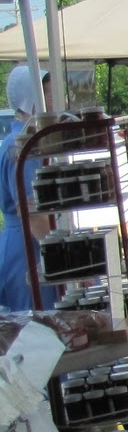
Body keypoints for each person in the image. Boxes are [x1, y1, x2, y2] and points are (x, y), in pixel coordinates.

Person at [0, 65, 52, 312]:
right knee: (41, 326)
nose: (54, 101)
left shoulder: (27, 139)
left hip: (26, 243)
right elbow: (32, 214)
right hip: (29, 247)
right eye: (48, 95)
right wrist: (63, 259)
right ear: (31, 99)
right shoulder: (23, 145)